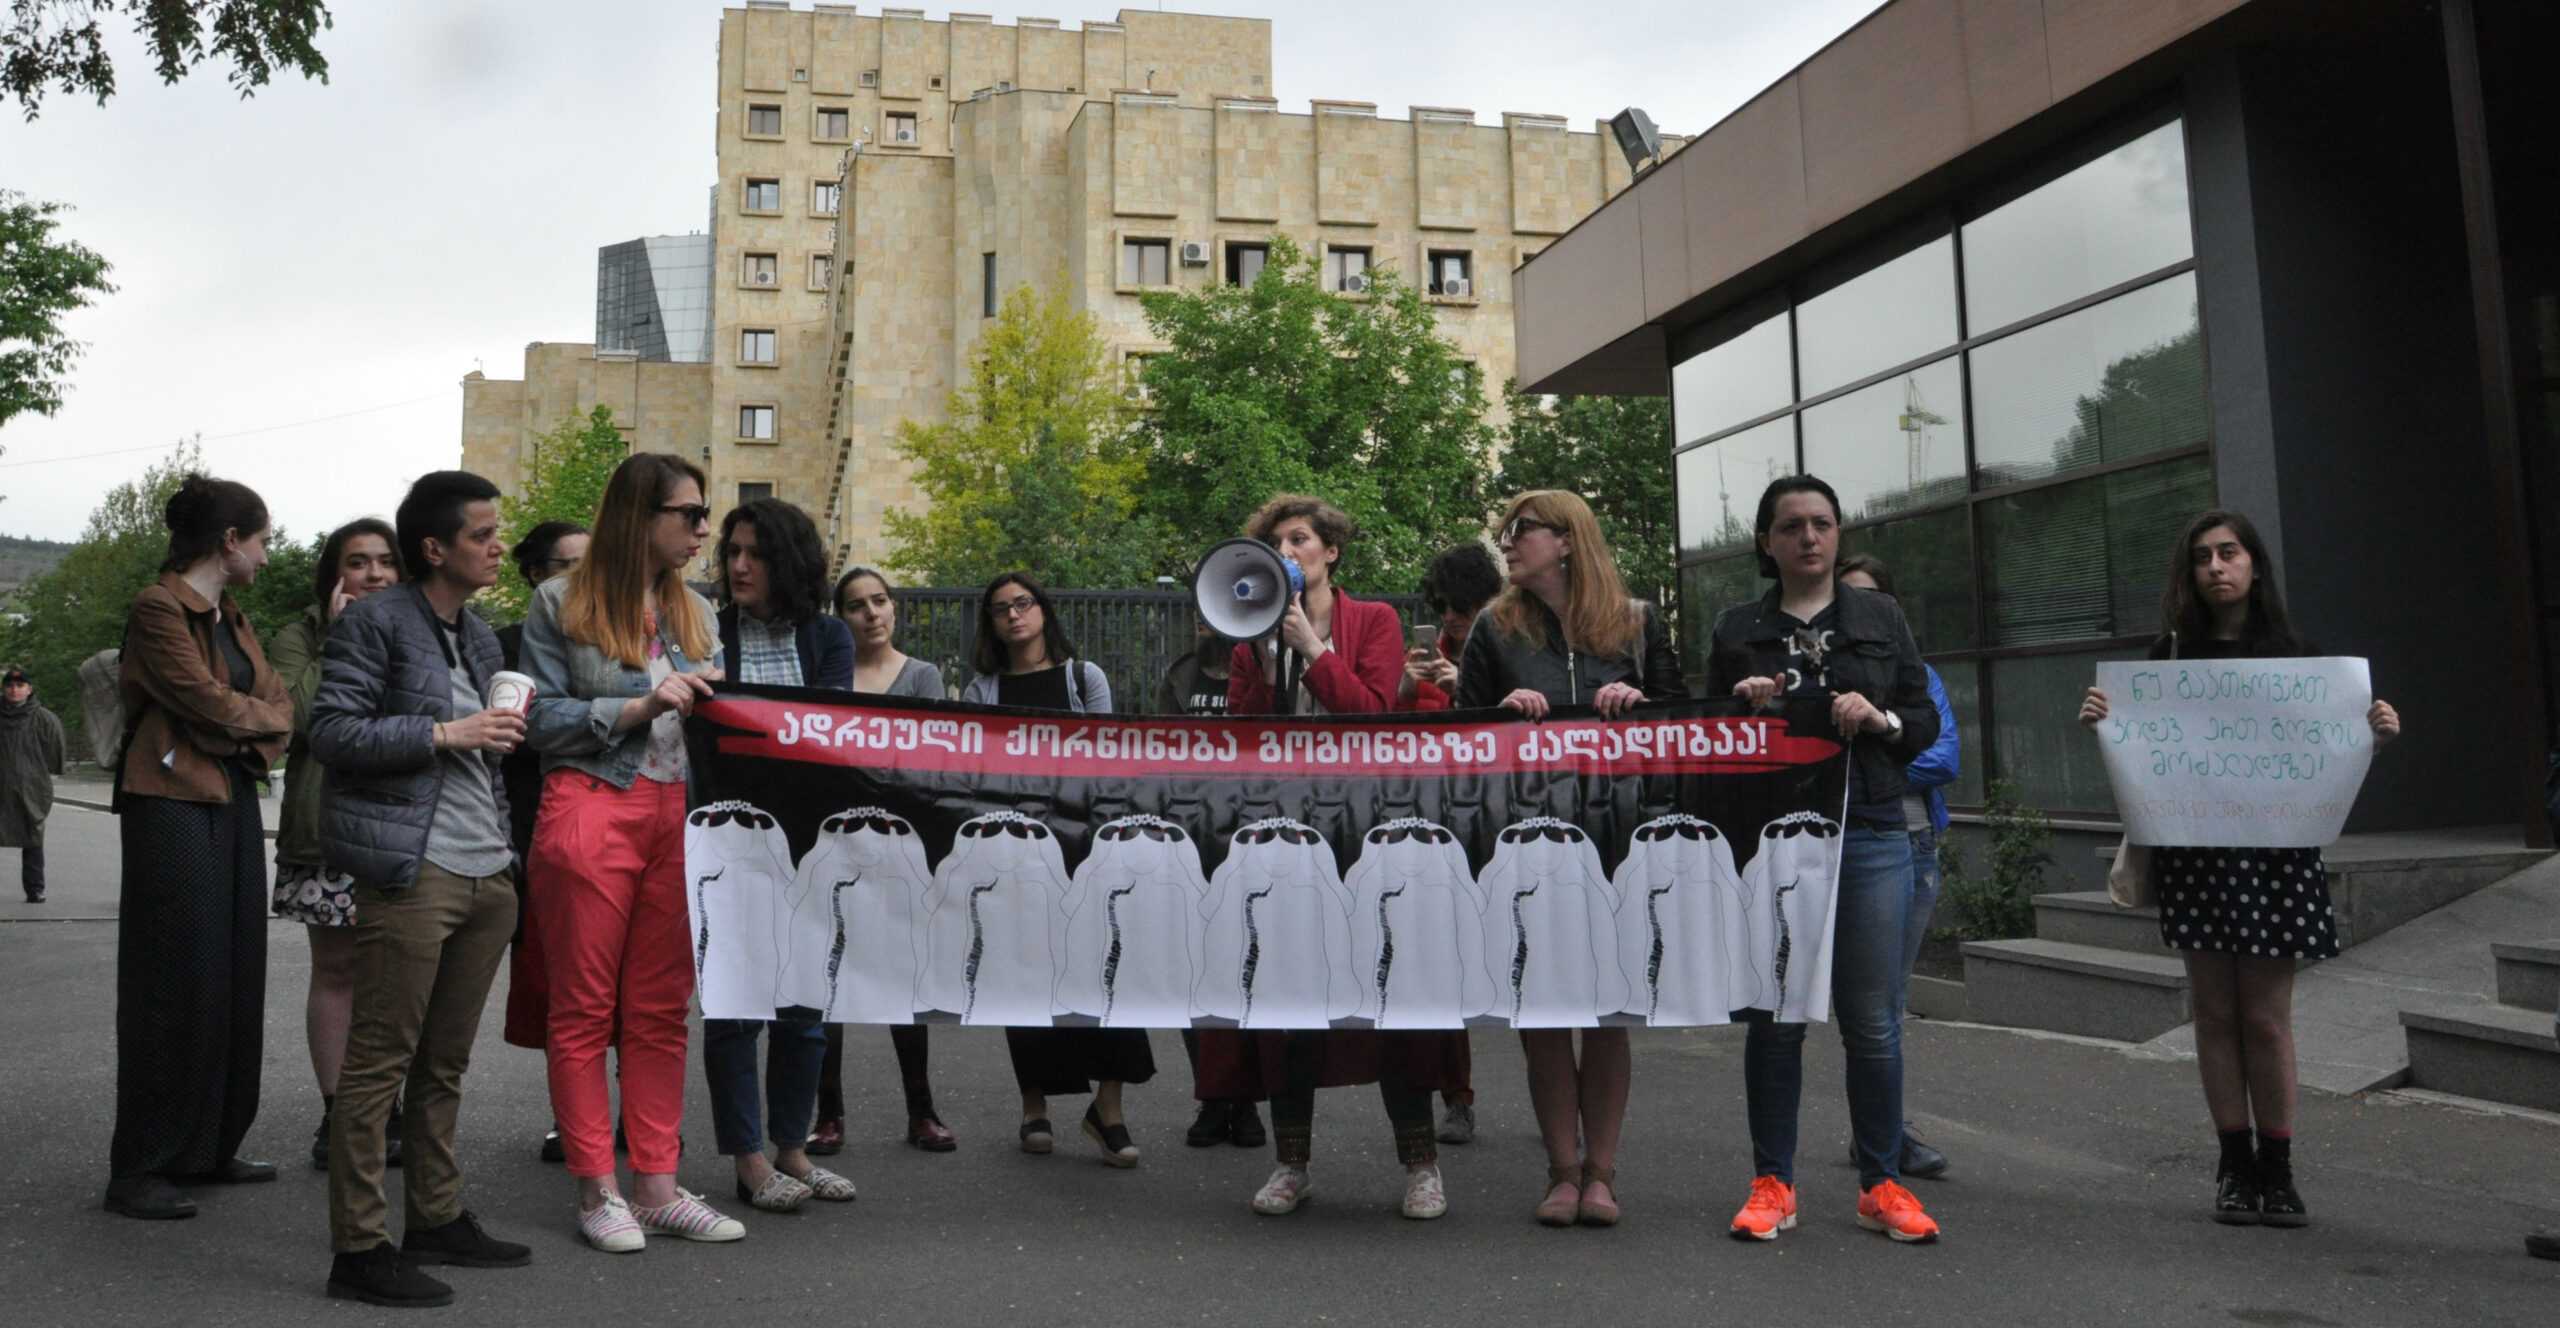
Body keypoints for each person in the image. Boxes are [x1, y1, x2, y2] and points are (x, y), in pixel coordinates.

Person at [2079, 510, 2400, 1230]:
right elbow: (2143, 755)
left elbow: (2322, 763)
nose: (2217, 567)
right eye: (2202, 557)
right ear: (2189, 573)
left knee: (2266, 1019)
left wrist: (2372, 735)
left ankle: (2278, 1170)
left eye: (2229, 553)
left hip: (2276, 856)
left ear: (2255, 564)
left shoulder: (2300, 659)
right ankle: (2234, 1164)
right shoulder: (2163, 660)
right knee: (2215, 1014)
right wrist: (2105, 719)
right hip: (2195, 850)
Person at [308, 471, 535, 1306]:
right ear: (435, 547)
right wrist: (447, 731)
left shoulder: (475, 636)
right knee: (380, 1065)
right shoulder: (374, 622)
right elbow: (331, 732)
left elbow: (485, 747)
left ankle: (435, 1217)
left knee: (444, 1064)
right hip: (415, 872)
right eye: (483, 534)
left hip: (486, 872)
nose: (497, 545)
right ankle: (359, 1249)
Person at [1707, 475, 1943, 1245]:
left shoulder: (1881, 616)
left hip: (1872, 829)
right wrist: (1738, 706)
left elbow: (1923, 716)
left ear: (1838, 535)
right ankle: (1772, 1183)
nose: (1810, 537)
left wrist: (1878, 717)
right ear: (1767, 543)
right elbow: (1707, 741)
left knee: (1871, 1022)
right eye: (1792, 527)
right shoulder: (1737, 626)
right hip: (1776, 839)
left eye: (1823, 524)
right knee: (1775, 1019)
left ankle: (1881, 1183)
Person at [520, 453, 743, 1252]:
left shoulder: (700, 611)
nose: (703, 529)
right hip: (591, 802)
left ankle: (655, 1185)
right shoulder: (559, 601)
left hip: (680, 816)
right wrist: (639, 703)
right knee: (582, 1010)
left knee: (659, 1011)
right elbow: (537, 722)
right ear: (641, 516)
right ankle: (596, 1189)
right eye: (690, 514)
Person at [1210, 494, 1454, 1222]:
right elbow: (1245, 735)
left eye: (1301, 538)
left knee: (1391, 993)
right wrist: (1261, 654)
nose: (1290, 549)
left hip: (1366, 832)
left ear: (1330, 552)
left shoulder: (1372, 621)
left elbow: (1372, 714)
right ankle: (1292, 1162)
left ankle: (1420, 1162)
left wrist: (1313, 651)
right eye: (1277, 540)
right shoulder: (1250, 633)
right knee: (1290, 997)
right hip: (1289, 835)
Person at [1455, 491, 1681, 1228]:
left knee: (1609, 1011)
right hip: (1529, 845)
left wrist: (1640, 699)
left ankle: (1602, 1174)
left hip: (1619, 845)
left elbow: (1683, 726)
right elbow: (1458, 742)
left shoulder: (1639, 622)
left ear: (1568, 540)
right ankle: (1561, 1170)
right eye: (1504, 533)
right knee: (1544, 1011)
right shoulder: (1494, 627)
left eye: (1521, 531)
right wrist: (1501, 714)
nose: (1507, 545)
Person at [103, 474, 295, 1221]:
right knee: (173, 978)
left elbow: (279, 704)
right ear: (229, 542)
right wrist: (253, 725)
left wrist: (249, 726)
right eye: (263, 540)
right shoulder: (160, 607)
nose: (268, 556)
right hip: (169, 799)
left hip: (230, 792)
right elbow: (200, 701)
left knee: (234, 969)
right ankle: (141, 1166)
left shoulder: (232, 615)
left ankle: (208, 1147)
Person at [959, 571, 1151, 1166]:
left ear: (1043, 610)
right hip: (1016, 853)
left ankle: (1108, 1109)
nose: (1014, 616)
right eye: (1000, 609)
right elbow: (976, 773)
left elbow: (1106, 755)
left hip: (1083, 846)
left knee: (1105, 970)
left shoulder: (1081, 677)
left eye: (1024, 604)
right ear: (990, 623)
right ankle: (1033, 1107)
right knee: (1025, 977)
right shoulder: (982, 690)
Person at [704, 499, 858, 1212]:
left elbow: (829, 732)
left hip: (805, 843)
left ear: (788, 562)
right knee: (733, 1006)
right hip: (724, 842)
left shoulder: (827, 636)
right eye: (732, 550)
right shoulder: (707, 629)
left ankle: (793, 1149)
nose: (738, 565)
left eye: (755, 553)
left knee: (805, 1005)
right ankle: (748, 1157)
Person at [266, 519, 406, 1172]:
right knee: (339, 972)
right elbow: (294, 717)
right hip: (328, 829)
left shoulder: (423, 634)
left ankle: (387, 1105)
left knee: (402, 976)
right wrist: (338, 638)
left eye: (385, 561)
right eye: (358, 562)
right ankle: (337, 1111)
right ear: (335, 576)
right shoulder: (299, 635)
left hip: (408, 830)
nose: (374, 574)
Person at [812, 566, 954, 1156]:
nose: (872, 613)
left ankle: (922, 1111)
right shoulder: (828, 677)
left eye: (880, 601)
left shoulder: (922, 676)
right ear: (840, 615)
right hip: (835, 843)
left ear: (894, 608)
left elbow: (933, 763)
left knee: (904, 980)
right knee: (827, 980)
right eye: (856, 605)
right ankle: (828, 1115)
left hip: (900, 847)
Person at [1835, 553, 1957, 1181]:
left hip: (1908, 847)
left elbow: (1943, 755)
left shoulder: (1919, 676)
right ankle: (1878, 1136)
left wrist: (1874, 755)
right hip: (1841, 844)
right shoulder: (1820, 675)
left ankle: (1885, 1136)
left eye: (1872, 602)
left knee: (1885, 1006)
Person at [1397, 540, 1505, 1146]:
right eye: (1444, 607)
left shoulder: (1513, 647)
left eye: (1462, 606)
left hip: (1497, 821)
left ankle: (1563, 1106)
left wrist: (1467, 682)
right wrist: (1412, 688)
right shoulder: (1427, 653)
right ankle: (1456, 1097)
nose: (1452, 619)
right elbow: (1392, 727)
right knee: (1439, 965)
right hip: (1439, 823)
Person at [493, 521, 590, 1163]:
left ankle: (627, 1112)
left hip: (614, 823)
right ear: (535, 575)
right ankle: (572, 1119)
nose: (586, 580)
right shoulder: (503, 644)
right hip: (537, 830)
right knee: (560, 985)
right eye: (570, 566)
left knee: (625, 983)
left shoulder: (615, 640)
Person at [0, 665, 66, 904]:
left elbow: (55, 751)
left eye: (20, 686)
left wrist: (47, 776)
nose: (14, 690)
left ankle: (35, 889)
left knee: (33, 837)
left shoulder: (43, 718)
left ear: (29, 689)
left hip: (31, 788)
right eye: (9, 685)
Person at [1155, 615, 1233, 718]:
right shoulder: (1179, 672)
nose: (1199, 618)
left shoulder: (1250, 668)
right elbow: (1166, 726)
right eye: (1197, 611)